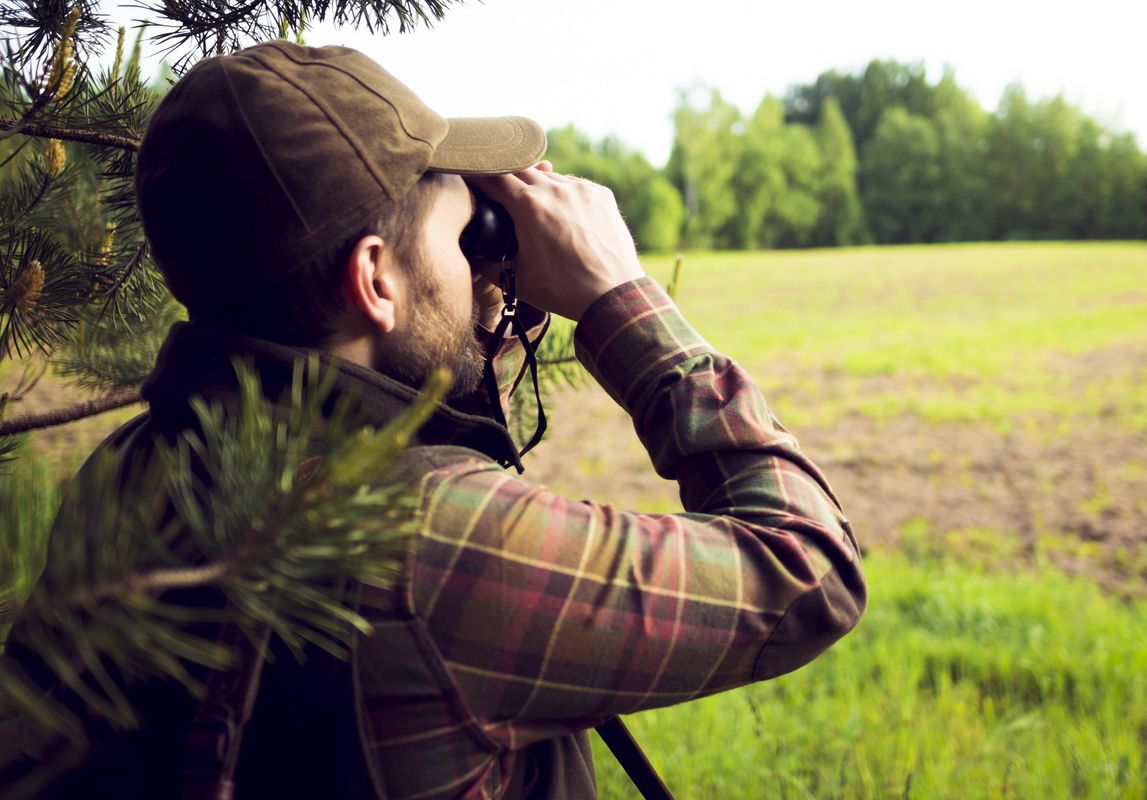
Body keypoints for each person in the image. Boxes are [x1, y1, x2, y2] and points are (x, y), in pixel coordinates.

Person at [5, 40, 866, 799]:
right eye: (464, 236)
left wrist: (463, 337)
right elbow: (809, 569)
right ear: (375, 280)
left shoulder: (123, 473)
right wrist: (620, 296)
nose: (483, 261)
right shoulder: (430, 540)